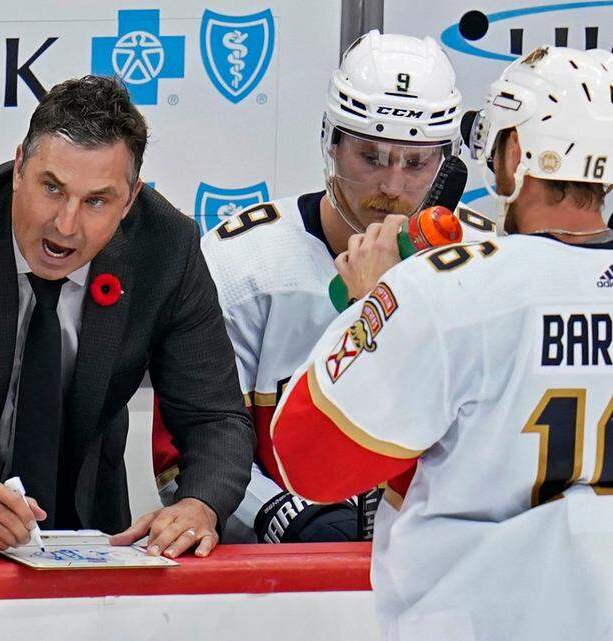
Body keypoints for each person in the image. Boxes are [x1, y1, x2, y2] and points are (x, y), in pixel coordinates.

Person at [272, 46, 613, 640]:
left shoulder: (446, 288)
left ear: (513, 152)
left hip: (474, 621)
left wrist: (370, 306)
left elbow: (307, 460)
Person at [0, 75, 254, 558]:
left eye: (97, 201)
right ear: (19, 164)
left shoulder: (167, 249)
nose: (65, 225)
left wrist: (199, 505)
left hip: (83, 536)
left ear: (130, 199)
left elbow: (215, 416)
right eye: (52, 188)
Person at [152, 31, 497, 543]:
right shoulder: (240, 262)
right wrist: (284, 515)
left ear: (447, 165)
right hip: (280, 584)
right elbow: (186, 447)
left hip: (441, 563)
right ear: (331, 143)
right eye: (371, 157)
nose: (392, 187)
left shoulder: (490, 262)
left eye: (416, 162)